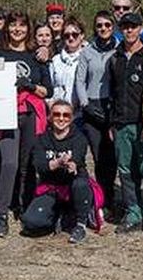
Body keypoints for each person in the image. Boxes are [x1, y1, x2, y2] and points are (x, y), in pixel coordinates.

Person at [0, 10, 53, 237]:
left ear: (28, 29)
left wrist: (30, 86)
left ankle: (27, 208)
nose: (17, 29)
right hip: (7, 114)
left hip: (32, 115)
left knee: (28, 165)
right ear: (7, 28)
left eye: (22, 25)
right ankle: (2, 212)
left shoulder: (37, 55)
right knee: (9, 163)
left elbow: (48, 90)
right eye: (13, 25)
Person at [108, 11, 143, 234]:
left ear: (141, 29)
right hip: (120, 123)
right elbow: (111, 93)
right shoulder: (115, 58)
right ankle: (133, 212)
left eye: (133, 26)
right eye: (125, 27)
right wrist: (111, 123)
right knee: (126, 170)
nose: (129, 30)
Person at [23, 101, 94, 241]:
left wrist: (72, 164)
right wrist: (58, 163)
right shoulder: (41, 139)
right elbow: (39, 165)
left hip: (73, 187)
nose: (61, 119)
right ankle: (57, 216)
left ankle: (80, 223)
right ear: (50, 117)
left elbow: (78, 158)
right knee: (30, 222)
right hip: (51, 188)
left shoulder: (79, 138)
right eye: (57, 114)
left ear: (72, 118)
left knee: (81, 184)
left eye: (66, 115)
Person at [77, 11, 117, 205]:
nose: (103, 29)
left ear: (113, 27)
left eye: (107, 25)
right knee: (98, 156)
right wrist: (85, 104)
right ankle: (101, 198)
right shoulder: (87, 52)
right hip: (92, 106)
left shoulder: (119, 50)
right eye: (99, 25)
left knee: (111, 156)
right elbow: (80, 81)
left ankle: (109, 194)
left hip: (112, 105)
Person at [47, 16, 85, 107]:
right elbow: (49, 86)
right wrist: (50, 103)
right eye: (67, 35)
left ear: (82, 35)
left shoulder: (88, 59)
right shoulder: (55, 60)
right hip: (58, 114)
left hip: (81, 114)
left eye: (75, 34)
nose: (71, 38)